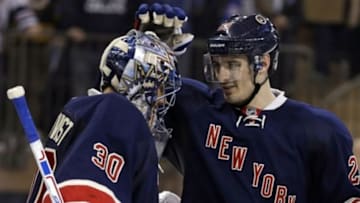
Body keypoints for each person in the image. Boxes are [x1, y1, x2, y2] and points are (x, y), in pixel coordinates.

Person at [135, 4, 360, 202]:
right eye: (217, 65)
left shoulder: (321, 131)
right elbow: (123, 106)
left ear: (262, 64)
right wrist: (143, 56)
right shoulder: (193, 106)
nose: (222, 76)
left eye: (232, 65)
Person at [26, 29, 181, 203]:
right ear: (137, 79)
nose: (162, 100)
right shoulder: (121, 113)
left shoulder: (78, 107)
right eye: (159, 85)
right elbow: (83, 194)